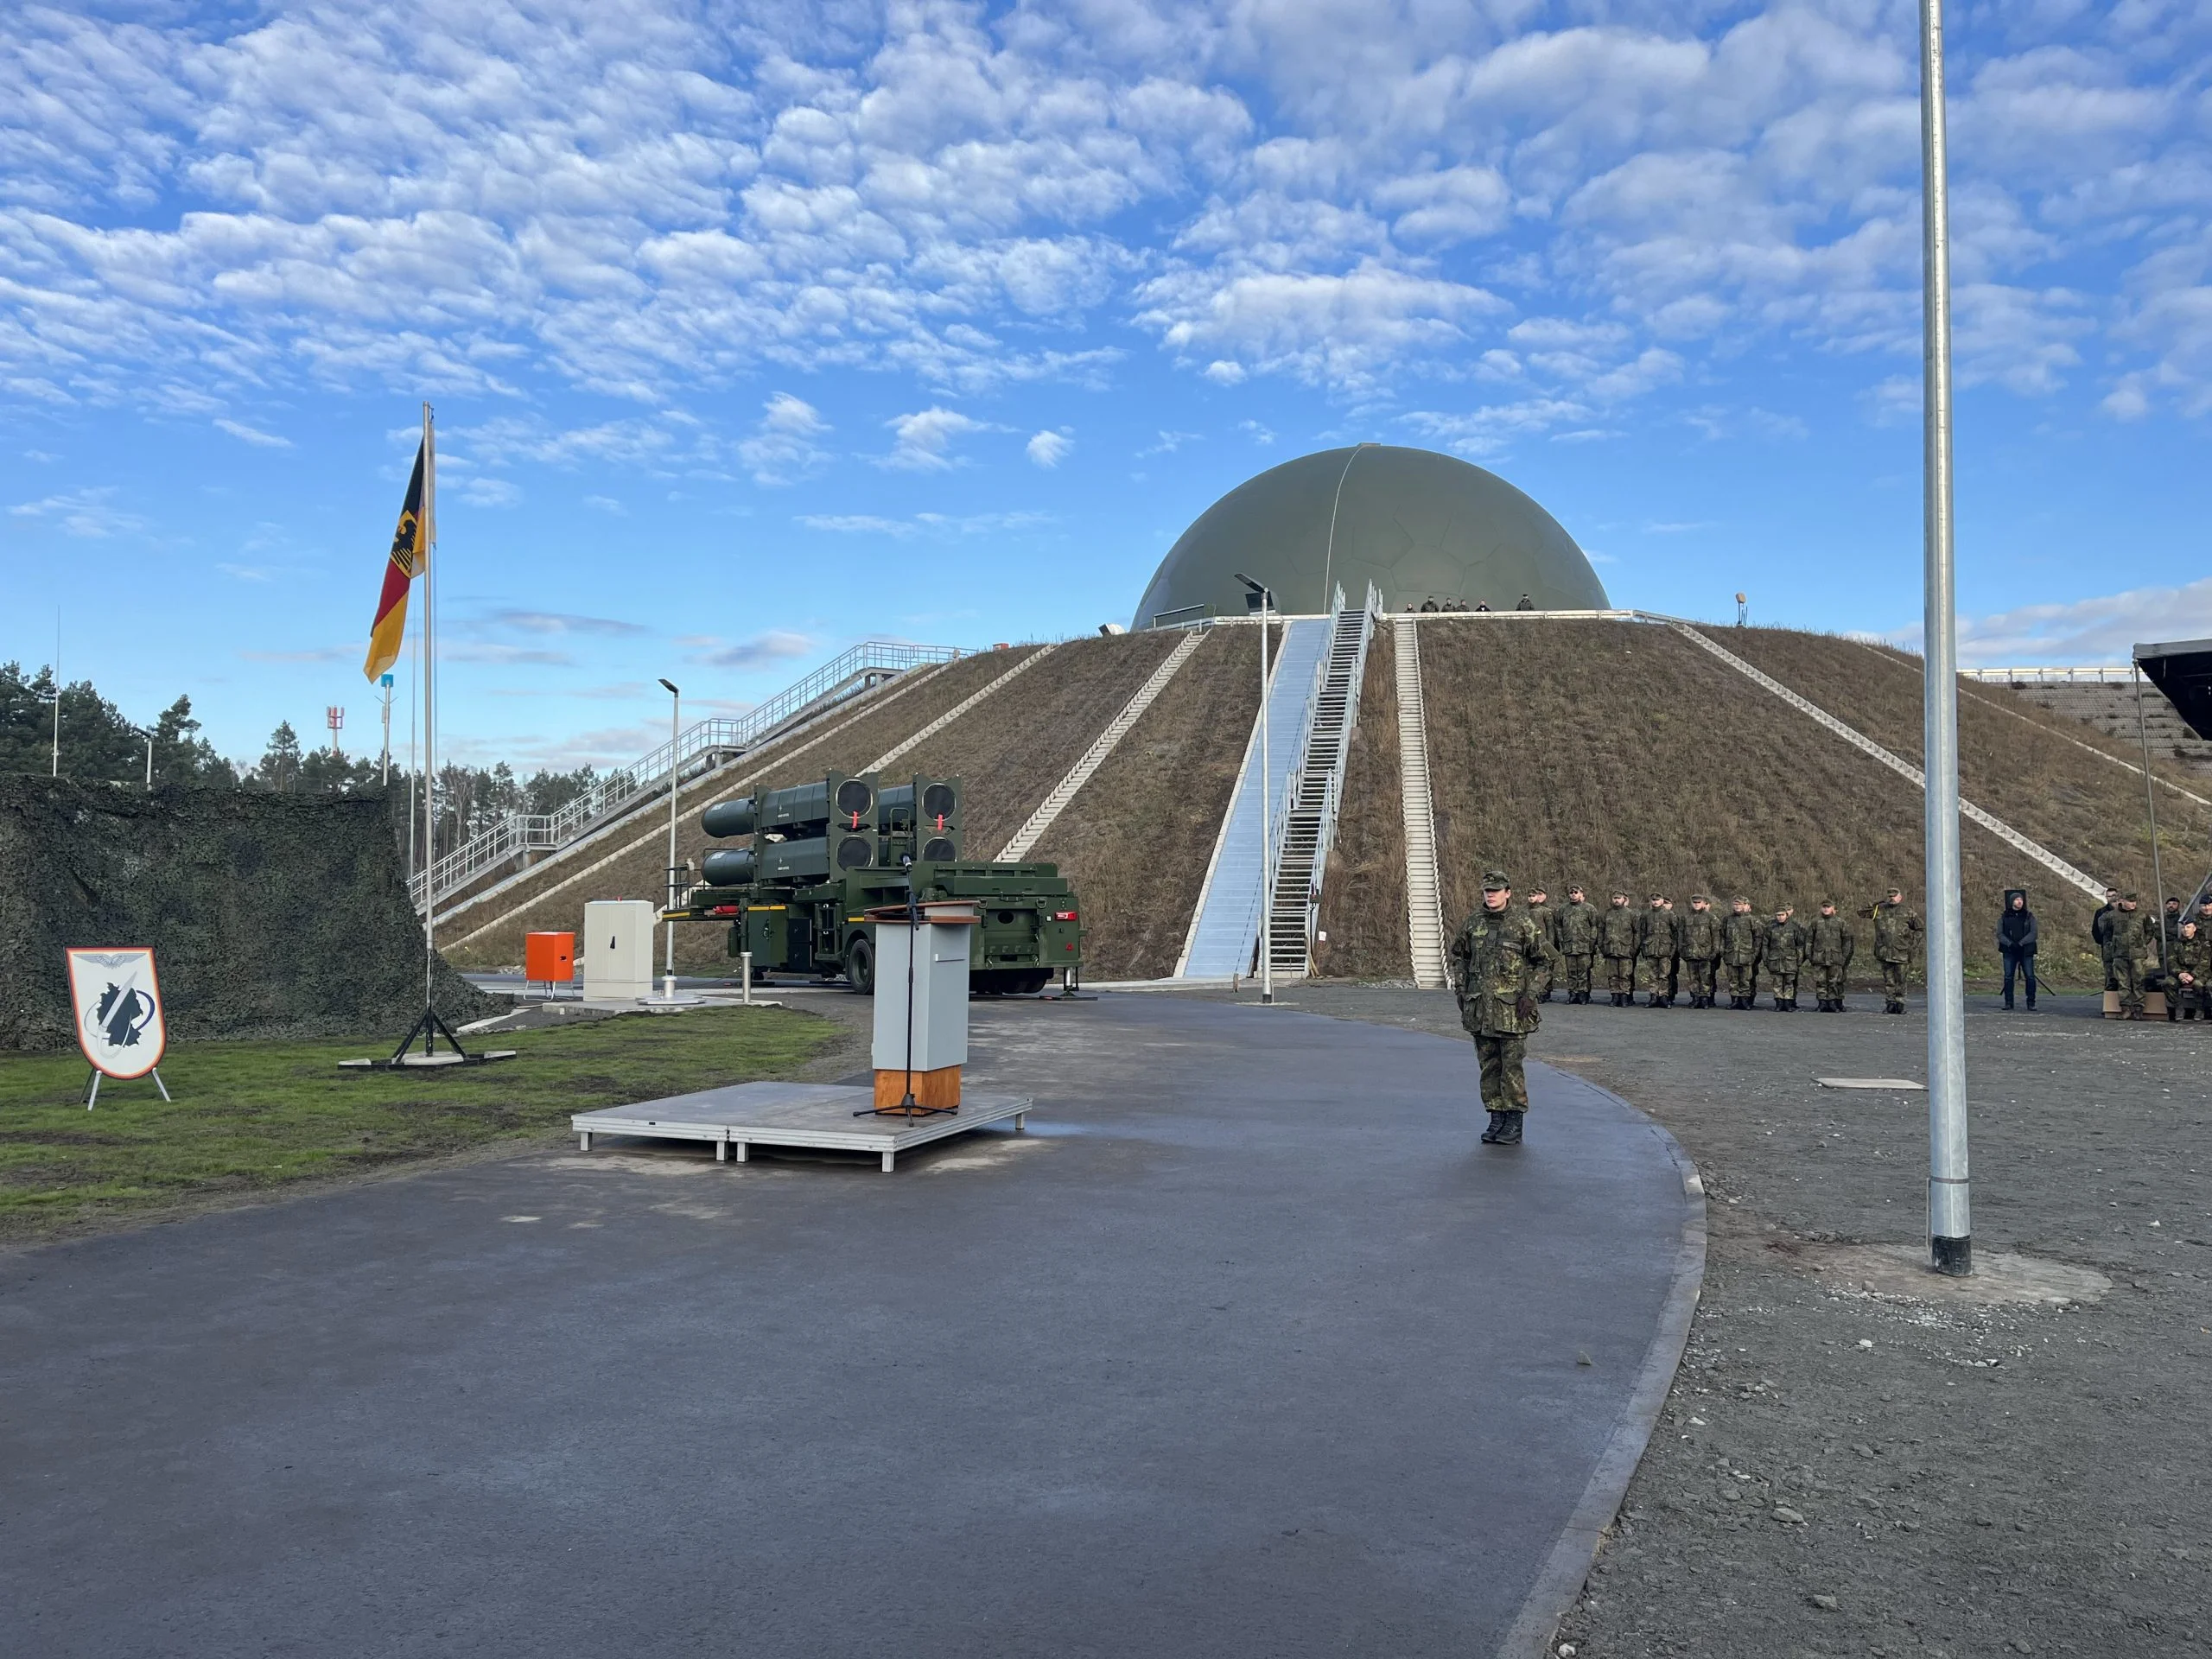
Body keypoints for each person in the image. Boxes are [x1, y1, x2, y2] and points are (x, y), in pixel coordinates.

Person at [1447, 868, 1548, 1146]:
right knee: (1489, 1067)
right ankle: (1496, 1118)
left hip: (1513, 1012)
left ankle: (1514, 1121)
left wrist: (1532, 993)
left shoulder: (1523, 924)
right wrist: (1460, 989)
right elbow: (1459, 958)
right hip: (1480, 1010)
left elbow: (1544, 961)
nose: (1490, 895)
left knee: (1511, 1068)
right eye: (1486, 891)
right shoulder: (1473, 923)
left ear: (1508, 893)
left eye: (1495, 891)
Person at [1860, 887, 1923, 1014]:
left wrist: (1912, 945)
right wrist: (1875, 902)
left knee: (1901, 979)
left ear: (1900, 897)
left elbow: (1919, 928)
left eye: (1894, 896)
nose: (1892, 898)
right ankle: (1890, 1004)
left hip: (1902, 952)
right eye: (1890, 896)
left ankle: (1900, 1004)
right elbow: (1861, 912)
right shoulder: (1879, 910)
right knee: (1889, 981)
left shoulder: (1908, 912)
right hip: (1884, 951)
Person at [1806, 899, 1856, 1012]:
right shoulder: (1815, 922)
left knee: (1834, 981)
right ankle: (1822, 1003)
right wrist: (1810, 955)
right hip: (1819, 957)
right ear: (1821, 908)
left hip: (1835, 958)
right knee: (1821, 982)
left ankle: (1833, 1002)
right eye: (1824, 907)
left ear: (1833, 908)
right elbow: (1809, 940)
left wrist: (1844, 957)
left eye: (1828, 907)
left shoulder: (1840, 922)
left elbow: (1847, 941)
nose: (1826, 909)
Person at [1554, 885, 1599, 1003]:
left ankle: (1583, 994)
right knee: (1571, 971)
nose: (1573, 894)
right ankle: (1572, 993)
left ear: (1581, 894)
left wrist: (1592, 941)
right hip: (1569, 945)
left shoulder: (1589, 909)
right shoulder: (1563, 909)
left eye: (1576, 892)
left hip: (1584, 945)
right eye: (1571, 892)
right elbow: (1558, 926)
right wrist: (1562, 941)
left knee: (1584, 971)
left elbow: (1594, 926)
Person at [2110, 893, 2152, 1020]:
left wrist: (2143, 943)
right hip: (2120, 954)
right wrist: (2113, 944)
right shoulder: (2113, 915)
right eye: (2130, 901)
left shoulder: (2143, 915)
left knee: (2139, 980)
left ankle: (2139, 1009)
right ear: (2122, 901)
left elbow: (2150, 931)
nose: (2133, 904)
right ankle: (2125, 1008)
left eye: (2135, 901)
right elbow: (2105, 931)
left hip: (2138, 954)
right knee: (2123, 982)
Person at [1678, 895, 1723, 1008]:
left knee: (1705, 977)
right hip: (1690, 952)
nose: (1696, 904)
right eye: (1694, 902)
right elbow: (1681, 935)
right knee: (1693, 978)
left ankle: (1704, 999)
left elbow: (1716, 936)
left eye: (1699, 902)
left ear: (1704, 903)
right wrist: (1681, 950)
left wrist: (1715, 951)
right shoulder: (1685, 917)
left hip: (1705, 952)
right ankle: (1695, 998)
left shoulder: (1711, 918)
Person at [1997, 888, 2037, 1011]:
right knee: (2008, 977)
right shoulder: (2004, 917)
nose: (2020, 902)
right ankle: (2008, 1002)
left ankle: (2031, 1002)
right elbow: (2000, 933)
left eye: (2021, 899)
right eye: (2016, 900)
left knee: (2030, 976)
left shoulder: (2029, 916)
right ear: (2011, 902)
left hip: (2026, 950)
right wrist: (2010, 944)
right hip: (2009, 951)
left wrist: (2021, 943)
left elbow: (2034, 933)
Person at [1763, 903, 1808, 1011]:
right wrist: (1766, 960)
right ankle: (1779, 1003)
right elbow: (1765, 945)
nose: (1780, 917)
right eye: (1778, 915)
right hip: (1775, 960)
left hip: (1790, 961)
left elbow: (1800, 945)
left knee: (1789, 983)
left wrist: (1799, 960)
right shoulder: (1770, 928)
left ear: (1787, 915)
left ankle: (1788, 1003)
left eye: (1782, 915)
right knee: (1777, 983)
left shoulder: (1794, 928)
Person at [1637, 893, 1680, 1008]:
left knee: (1664, 975)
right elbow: (1642, 932)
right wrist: (1643, 947)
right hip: (1651, 948)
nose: (1655, 902)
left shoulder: (1669, 915)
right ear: (1651, 901)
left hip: (1665, 949)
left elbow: (1676, 933)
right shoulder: (1646, 915)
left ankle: (1663, 996)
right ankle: (1653, 996)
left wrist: (1673, 949)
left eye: (1658, 900)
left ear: (1662, 901)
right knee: (1652, 975)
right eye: (1653, 900)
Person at [1599, 891, 1640, 1007]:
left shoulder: (1631, 914)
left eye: (1619, 898)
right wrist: (1602, 947)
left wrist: (1634, 949)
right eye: (1614, 898)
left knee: (1625, 975)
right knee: (1612, 975)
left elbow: (1637, 933)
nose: (1616, 900)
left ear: (1624, 899)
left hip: (1625, 950)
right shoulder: (1606, 914)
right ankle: (1615, 996)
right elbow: (1601, 931)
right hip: (1610, 949)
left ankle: (1624, 997)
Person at [1720, 896, 1763, 1008]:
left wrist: (1754, 954)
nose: (1737, 906)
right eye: (1735, 904)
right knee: (1733, 980)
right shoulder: (1727, 919)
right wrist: (1723, 952)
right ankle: (1734, 1000)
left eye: (1739, 904)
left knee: (1745, 980)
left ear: (1745, 905)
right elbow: (1723, 937)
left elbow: (1758, 938)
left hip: (1746, 955)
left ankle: (1745, 1000)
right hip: (1731, 954)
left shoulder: (1752, 920)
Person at [1524, 886, 1558, 1002]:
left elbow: (1550, 930)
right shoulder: (1523, 911)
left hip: (1542, 944)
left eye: (1533, 896)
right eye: (1530, 896)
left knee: (1543, 969)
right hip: (1528, 944)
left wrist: (1550, 945)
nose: (1531, 898)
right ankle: (1531, 992)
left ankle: (1542, 993)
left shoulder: (1545, 911)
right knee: (1529, 969)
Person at [2172, 918, 2209, 1021]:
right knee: (2168, 983)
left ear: (2194, 929)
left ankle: (2199, 1009)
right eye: (2183, 927)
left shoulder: (2204, 943)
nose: (2185, 930)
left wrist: (2193, 975)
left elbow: (2204, 962)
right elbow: (2172, 960)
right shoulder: (2176, 943)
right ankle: (2178, 1008)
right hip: (2182, 972)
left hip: (2200, 973)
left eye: (2188, 927)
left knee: (2198, 984)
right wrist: (2180, 973)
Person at [2091, 887, 2120, 992]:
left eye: (2114, 896)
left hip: (2124, 949)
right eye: (2109, 896)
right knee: (2110, 976)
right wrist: (2103, 942)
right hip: (2108, 948)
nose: (2112, 898)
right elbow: (2095, 930)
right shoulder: (2101, 912)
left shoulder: (2125, 912)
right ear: (2106, 898)